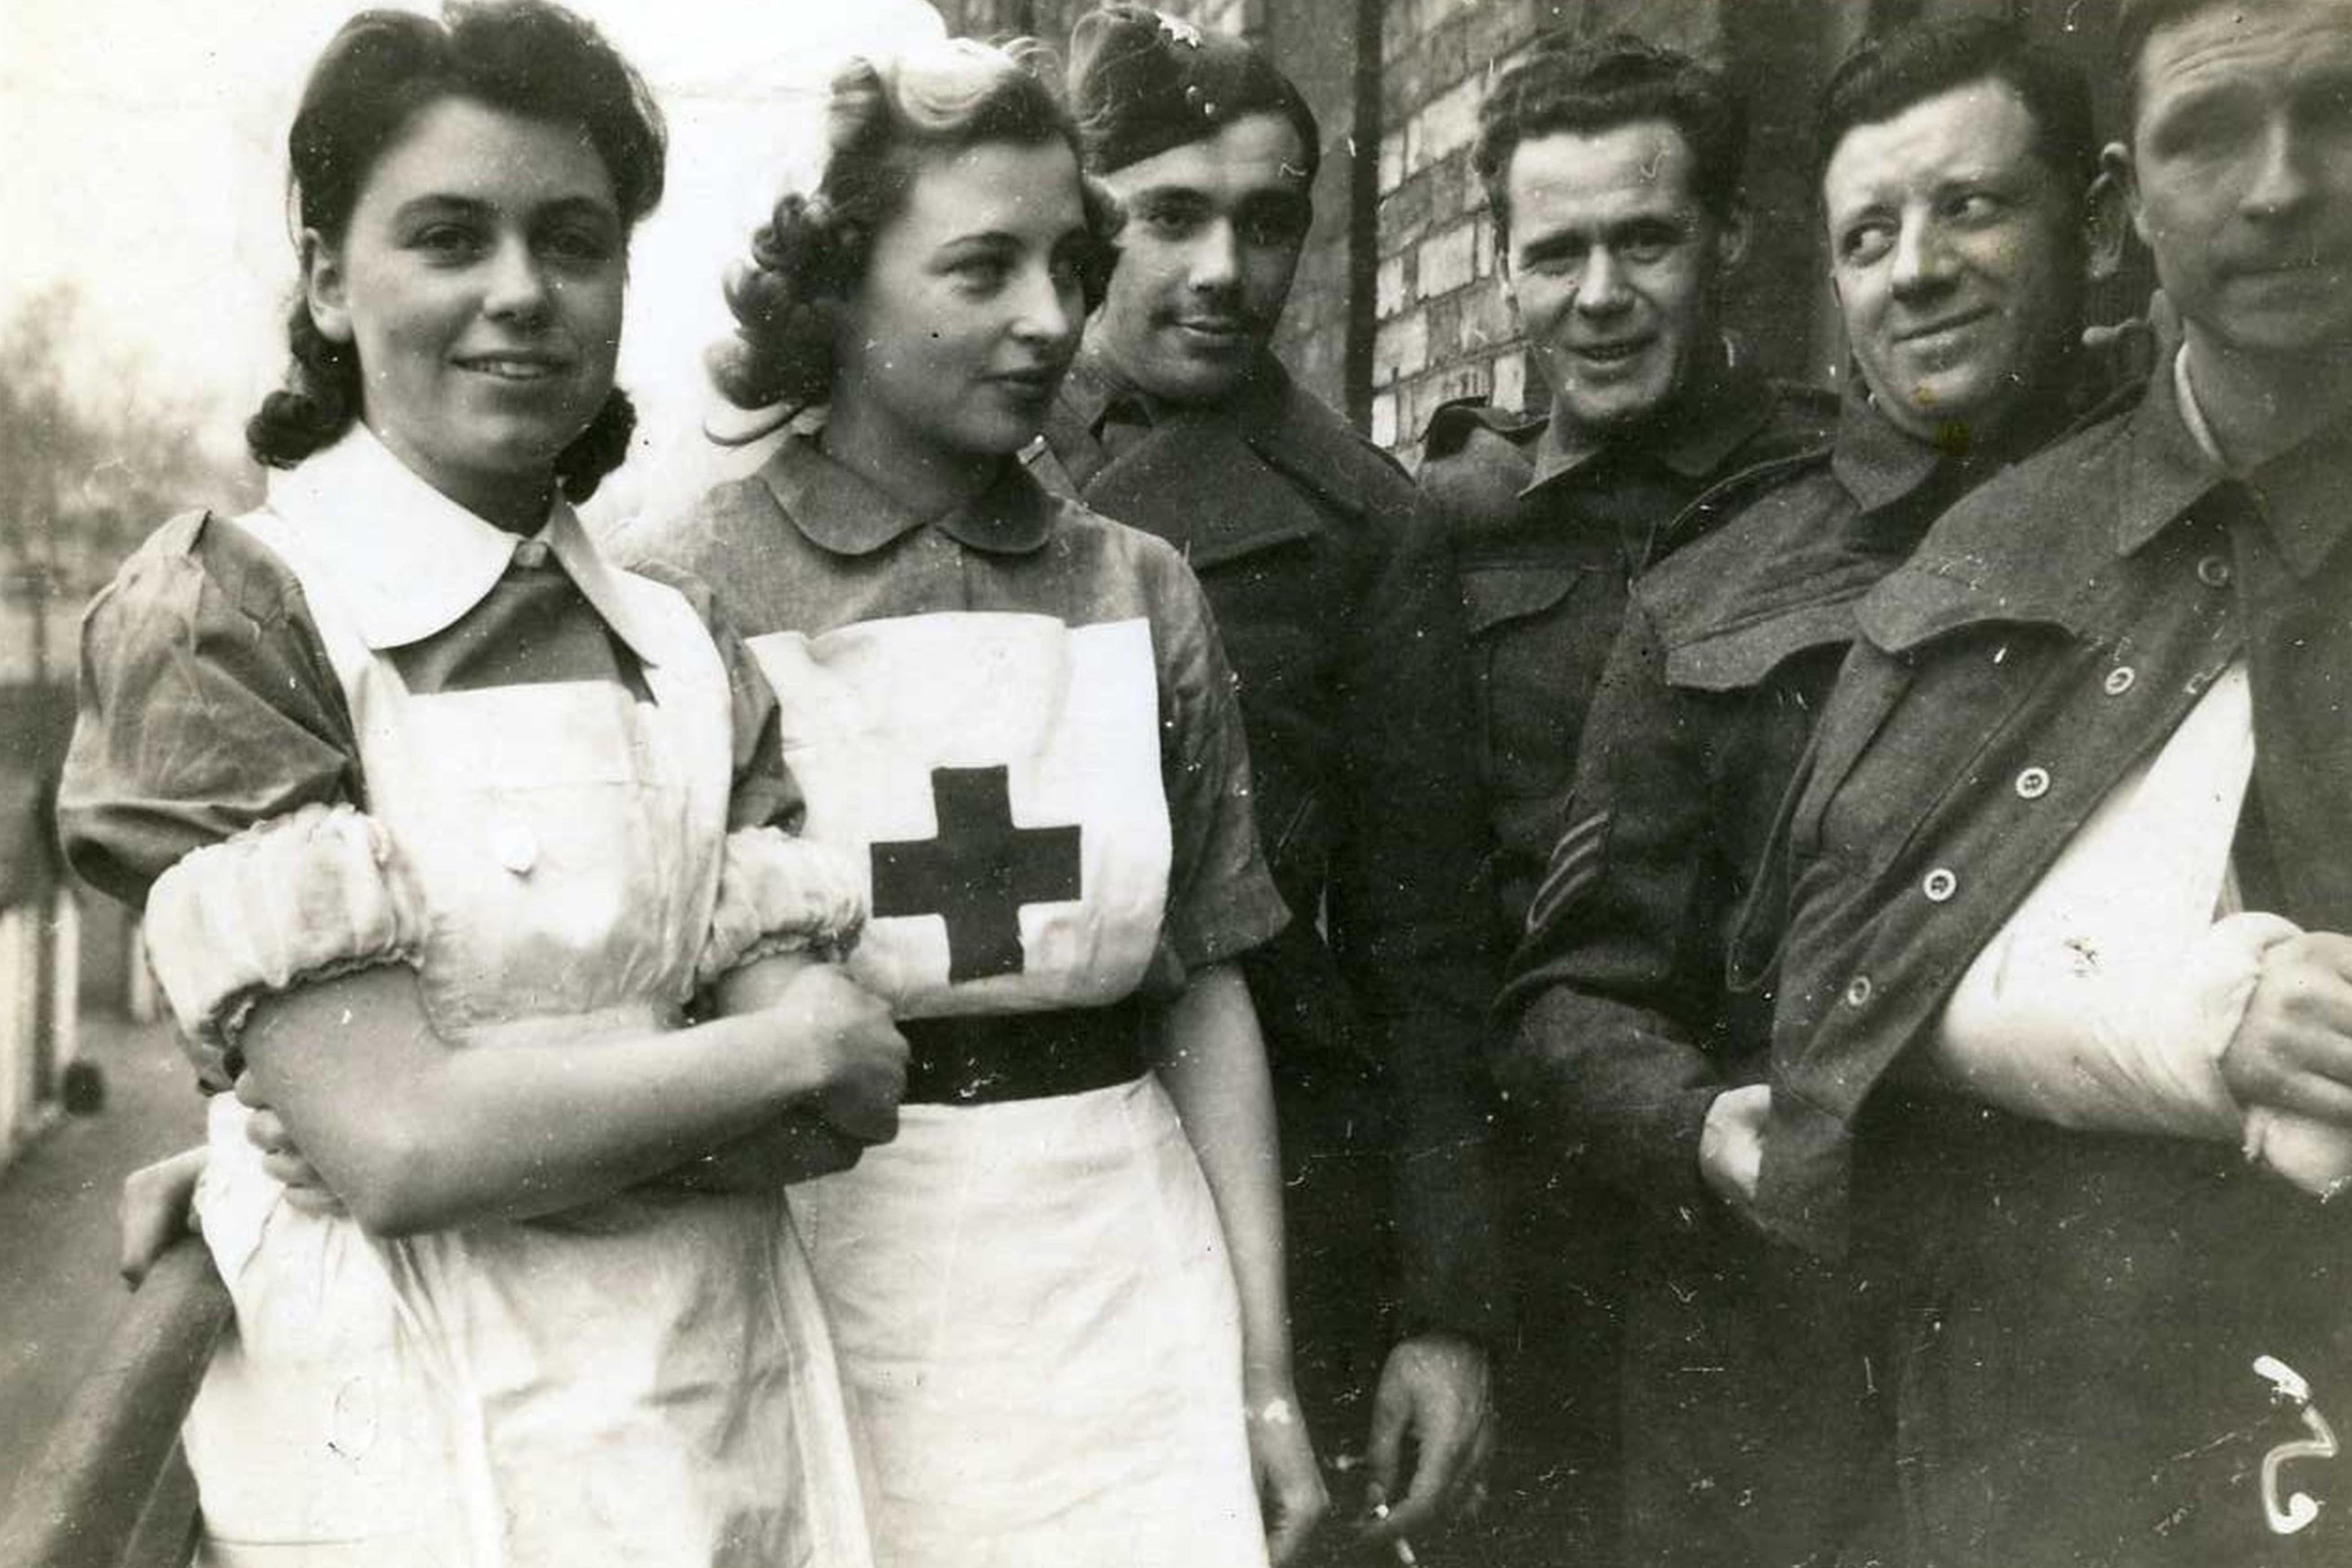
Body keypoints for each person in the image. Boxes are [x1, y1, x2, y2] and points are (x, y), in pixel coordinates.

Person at [57, 4, 907, 1565]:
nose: (519, 292)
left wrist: (476, 1115)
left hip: (712, 1434)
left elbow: (841, 1104)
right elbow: (398, 1151)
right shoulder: (235, 620)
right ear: (328, 276)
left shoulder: (681, 642)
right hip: (395, 1461)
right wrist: (749, 1058)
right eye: (449, 237)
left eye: (571, 241)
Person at [609, 37, 1328, 1568]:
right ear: (840, 282)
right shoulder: (688, 593)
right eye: (981, 268)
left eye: (1068, 264)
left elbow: (1204, 995)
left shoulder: (1139, 586)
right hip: (824, 1265)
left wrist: (1262, 1375)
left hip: (1121, 1283)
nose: (1051, 320)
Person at [1495, 21, 2123, 1565]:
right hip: (1789, 1384)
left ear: (2096, 220)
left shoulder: (2202, 520)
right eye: (1870, 234)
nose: (1916, 268)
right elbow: (1570, 994)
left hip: (2113, 1352)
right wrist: (1698, 1122)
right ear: (1829, 275)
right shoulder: (1719, 583)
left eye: (1970, 208)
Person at [1750, 0, 2352, 1559]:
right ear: (2129, 202)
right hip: (2073, 1432)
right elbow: (1830, 1009)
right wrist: (2198, 1015)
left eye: (2340, 109)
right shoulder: (2001, 552)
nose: (2280, 186)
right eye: (2209, 134)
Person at [1035, 9, 1502, 1556]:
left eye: (1269, 220)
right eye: (1167, 216)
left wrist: (1441, 1310)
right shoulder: (952, 454)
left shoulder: (1369, 530)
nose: (1224, 270)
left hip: (1270, 1179)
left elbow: (1431, 940)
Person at [1415, 32, 1837, 1554]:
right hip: (1522, 1225)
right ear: (1506, 270)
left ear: (1727, 240)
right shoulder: (1443, 532)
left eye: (1645, 240)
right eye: (1557, 253)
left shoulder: (1833, 499)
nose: (1599, 296)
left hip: (1757, 1209)